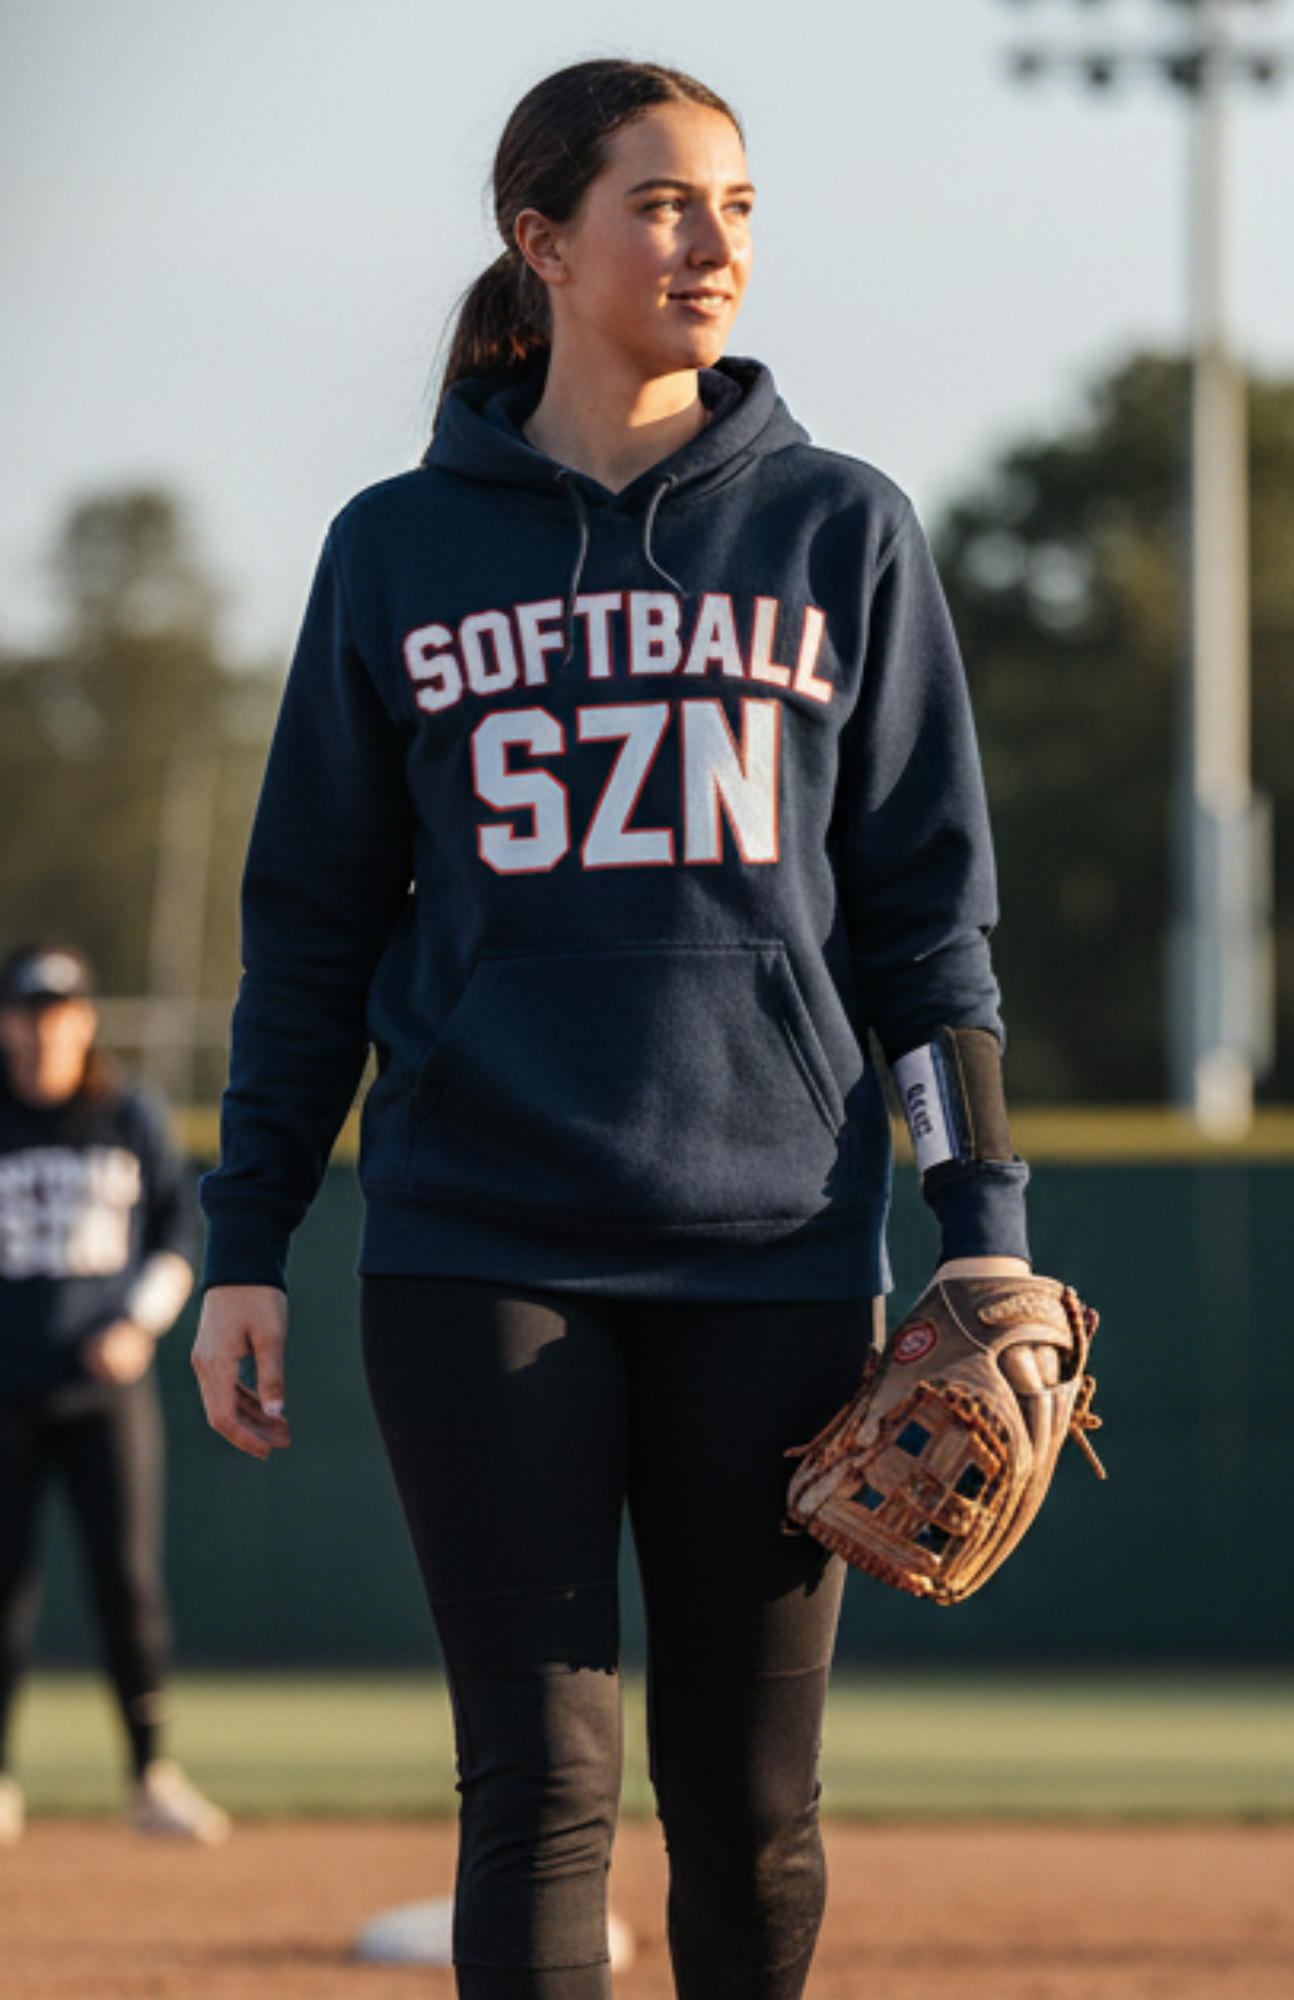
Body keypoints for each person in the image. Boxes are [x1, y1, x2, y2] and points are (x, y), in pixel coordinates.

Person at [193, 57, 1046, 1997]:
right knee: (538, 1780)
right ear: (540, 240)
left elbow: (927, 924)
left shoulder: (841, 531)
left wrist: (978, 1224)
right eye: (662, 203)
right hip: (478, 1233)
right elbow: (310, 931)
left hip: (772, 1241)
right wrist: (245, 1240)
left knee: (748, 1803)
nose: (710, 243)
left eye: (736, 205)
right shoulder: (397, 550)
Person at [0, 943, 229, 1846]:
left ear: (85, 1020)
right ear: (6, 1023)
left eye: (60, 1011)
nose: (44, 1028)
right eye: (28, 1011)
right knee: (2, 1590)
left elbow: (180, 1228)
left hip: (104, 1393)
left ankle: (150, 1775)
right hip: (5, 1393)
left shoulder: (124, 1110)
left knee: (128, 1584)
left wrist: (140, 1320)